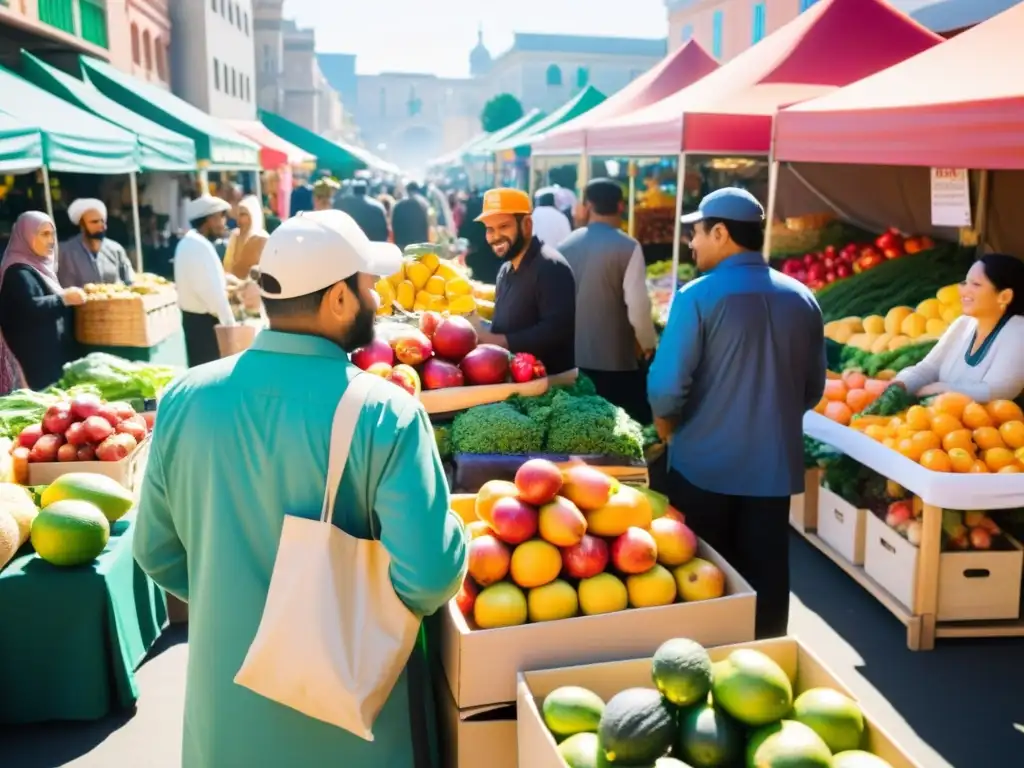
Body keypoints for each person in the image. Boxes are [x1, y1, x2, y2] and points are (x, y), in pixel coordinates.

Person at [133, 209, 467, 768]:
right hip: (354, 720)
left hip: (226, 721)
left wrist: (233, 598)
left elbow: (155, 551)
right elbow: (429, 576)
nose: (379, 301)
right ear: (339, 299)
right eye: (369, 286)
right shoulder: (388, 414)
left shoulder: (183, 397)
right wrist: (455, 529)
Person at [647, 188, 826, 639]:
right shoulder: (803, 297)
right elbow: (812, 389)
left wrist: (668, 432)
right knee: (767, 575)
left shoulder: (697, 297)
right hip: (772, 469)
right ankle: (769, 661)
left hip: (703, 466)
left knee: (705, 578)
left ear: (721, 233)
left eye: (697, 234)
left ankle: (705, 662)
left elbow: (666, 390)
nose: (692, 243)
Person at [559, 179, 658, 422]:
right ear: (621, 206)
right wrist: (648, 343)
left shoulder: (564, 246)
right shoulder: (628, 246)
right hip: (615, 361)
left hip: (570, 359)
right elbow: (638, 307)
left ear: (588, 206)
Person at [467, 188, 576, 375]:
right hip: (515, 382)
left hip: (550, 388)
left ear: (527, 224)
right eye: (490, 229)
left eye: (504, 227)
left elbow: (556, 331)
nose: (495, 236)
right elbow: (503, 324)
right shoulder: (505, 270)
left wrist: (500, 341)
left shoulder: (551, 266)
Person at [894, 253, 1024, 402]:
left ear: (1005, 296)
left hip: (991, 423)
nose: (963, 291)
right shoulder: (963, 324)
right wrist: (901, 385)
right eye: (965, 282)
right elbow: (928, 368)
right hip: (940, 419)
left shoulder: (1019, 332)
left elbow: (1000, 390)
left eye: (975, 284)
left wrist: (943, 389)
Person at [0, 212, 86, 391]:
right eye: (44, 234)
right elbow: (29, 309)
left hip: (48, 358)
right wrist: (63, 299)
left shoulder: (38, 268)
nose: (51, 240)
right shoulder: (17, 271)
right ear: (27, 236)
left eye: (52, 234)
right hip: (32, 363)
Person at [174, 195, 236, 367]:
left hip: (193, 323)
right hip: (205, 326)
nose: (223, 222)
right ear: (210, 219)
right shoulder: (199, 246)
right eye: (220, 217)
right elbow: (212, 294)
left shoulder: (189, 242)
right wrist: (230, 325)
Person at [57, 198, 135, 288]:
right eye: (94, 222)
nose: (101, 226)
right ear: (82, 225)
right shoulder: (65, 251)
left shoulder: (116, 249)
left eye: (102, 221)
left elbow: (129, 280)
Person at [223, 195, 269, 280]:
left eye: (243, 215)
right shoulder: (234, 236)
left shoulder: (263, 238)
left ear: (253, 215)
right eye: (238, 215)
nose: (239, 219)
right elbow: (227, 267)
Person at [391, 181, 430, 249]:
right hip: (420, 244)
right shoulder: (425, 203)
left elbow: (394, 225)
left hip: (403, 244)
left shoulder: (398, 204)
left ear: (407, 190)